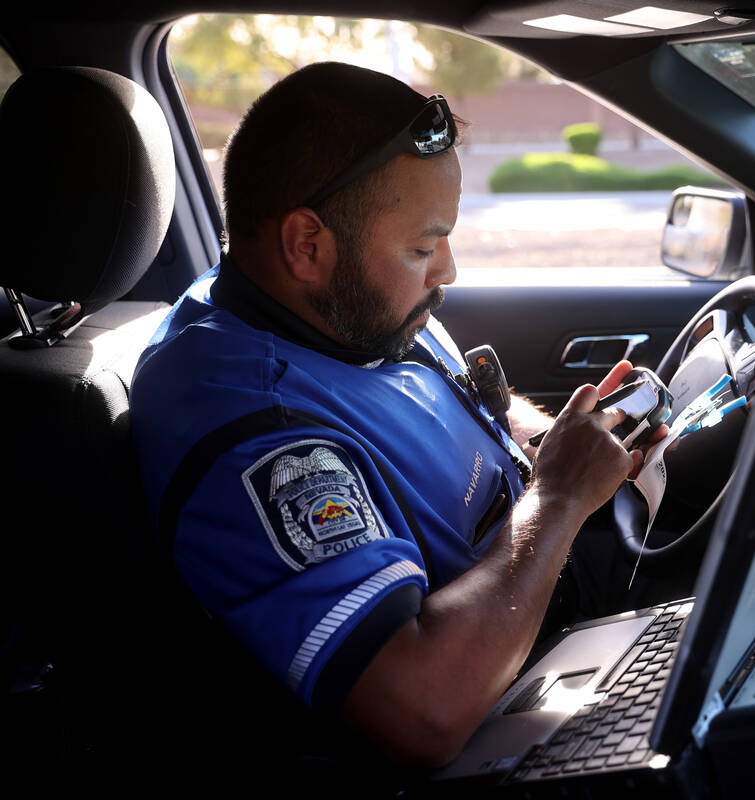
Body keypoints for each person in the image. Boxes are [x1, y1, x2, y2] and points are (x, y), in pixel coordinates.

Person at [130, 62, 651, 767]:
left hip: (553, 628)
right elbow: (422, 709)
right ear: (306, 246)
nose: (447, 272)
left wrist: (560, 443)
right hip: (498, 728)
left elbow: (459, 411)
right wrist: (560, 496)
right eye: (422, 247)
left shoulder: (341, 311)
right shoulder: (252, 430)